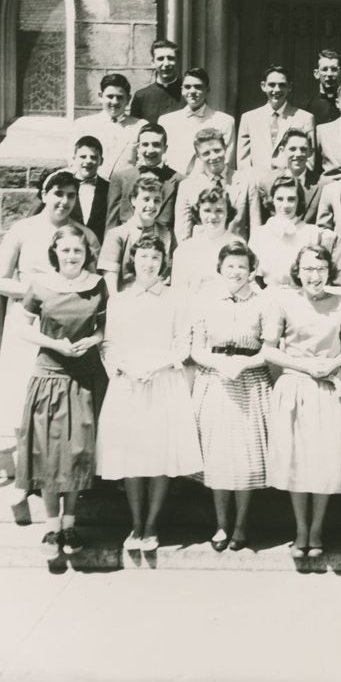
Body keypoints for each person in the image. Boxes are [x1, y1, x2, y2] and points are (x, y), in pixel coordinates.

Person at [97, 234, 203, 552]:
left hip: (164, 381)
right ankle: (136, 524)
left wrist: (158, 367)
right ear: (134, 260)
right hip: (129, 383)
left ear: (163, 262)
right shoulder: (120, 299)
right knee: (133, 457)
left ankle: (152, 525)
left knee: (160, 455)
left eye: (155, 258)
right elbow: (109, 344)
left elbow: (183, 343)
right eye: (143, 257)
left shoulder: (176, 299)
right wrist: (127, 368)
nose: (149, 263)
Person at [264, 244, 341, 557]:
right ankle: (300, 529)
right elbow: (269, 350)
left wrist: (334, 364)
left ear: (329, 272)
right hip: (296, 385)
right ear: (298, 271)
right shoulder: (284, 301)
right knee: (298, 460)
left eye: (321, 269)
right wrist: (305, 366)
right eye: (308, 268)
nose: (314, 275)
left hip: (329, 388)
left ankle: (316, 529)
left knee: (324, 462)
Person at [15, 224, 109, 555]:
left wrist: (92, 340)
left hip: (83, 379)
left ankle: (70, 526)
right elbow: (21, 327)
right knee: (49, 455)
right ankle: (51, 528)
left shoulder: (97, 286)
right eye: (66, 250)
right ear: (56, 252)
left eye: (78, 251)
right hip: (49, 378)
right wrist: (55, 344)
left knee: (78, 454)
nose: (72, 256)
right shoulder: (41, 285)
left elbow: (103, 329)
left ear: (87, 254)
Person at [0, 170, 101, 446]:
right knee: (21, 391)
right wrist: (40, 293)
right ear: (44, 195)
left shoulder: (84, 235)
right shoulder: (22, 230)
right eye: (58, 193)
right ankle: (25, 468)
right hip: (29, 319)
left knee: (63, 395)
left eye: (71, 195)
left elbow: (92, 283)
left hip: (68, 323)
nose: (64, 201)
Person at [189, 241, 271, 552]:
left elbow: (269, 348)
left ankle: (241, 525)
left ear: (252, 271)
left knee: (247, 457)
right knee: (220, 456)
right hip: (215, 379)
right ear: (220, 269)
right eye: (230, 265)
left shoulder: (264, 303)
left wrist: (243, 363)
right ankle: (222, 523)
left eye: (242, 266)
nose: (236, 271)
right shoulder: (206, 302)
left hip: (250, 380)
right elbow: (197, 349)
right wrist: (220, 363)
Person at [98, 175, 177, 296]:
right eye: (146, 199)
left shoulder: (166, 233)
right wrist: (116, 302)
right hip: (126, 297)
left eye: (157, 200)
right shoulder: (117, 234)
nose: (151, 205)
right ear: (133, 200)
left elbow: (169, 273)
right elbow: (111, 281)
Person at [249, 175, 330, 289]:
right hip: (270, 297)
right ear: (272, 200)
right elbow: (254, 278)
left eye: (291, 199)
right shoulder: (260, 234)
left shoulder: (312, 233)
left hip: (303, 297)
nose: (285, 205)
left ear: (299, 201)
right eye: (280, 199)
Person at [174, 127, 251, 240]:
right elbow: (182, 232)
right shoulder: (187, 186)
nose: (213, 157)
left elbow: (255, 229)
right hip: (202, 251)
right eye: (206, 153)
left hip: (237, 252)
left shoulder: (246, 180)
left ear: (225, 148)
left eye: (217, 150)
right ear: (198, 156)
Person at [106, 123, 185, 231]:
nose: (150, 150)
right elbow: (111, 224)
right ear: (138, 147)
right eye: (145, 145)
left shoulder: (180, 181)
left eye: (156, 145)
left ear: (165, 148)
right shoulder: (120, 178)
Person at [236, 64, 316, 172]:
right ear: (263, 86)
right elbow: (243, 161)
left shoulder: (305, 118)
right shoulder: (249, 118)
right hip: (258, 185)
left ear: (290, 87)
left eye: (282, 85)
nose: (277, 90)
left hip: (291, 184)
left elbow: (309, 160)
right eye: (272, 85)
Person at [158, 67, 237, 174]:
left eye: (198, 87)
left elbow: (226, 160)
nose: (192, 91)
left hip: (207, 184)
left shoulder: (224, 121)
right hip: (173, 183)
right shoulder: (166, 121)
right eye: (187, 87)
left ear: (207, 89)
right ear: (182, 90)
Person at [71, 74, 147, 179]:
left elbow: (143, 163)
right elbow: (73, 163)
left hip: (126, 190)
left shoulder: (140, 126)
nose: (114, 102)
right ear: (100, 96)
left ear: (128, 99)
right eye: (110, 96)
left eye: (120, 97)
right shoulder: (83, 125)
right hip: (91, 189)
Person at [170, 187, 241, 296]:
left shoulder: (237, 244)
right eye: (207, 210)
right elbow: (178, 292)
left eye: (219, 210)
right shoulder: (185, 250)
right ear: (198, 212)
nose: (213, 216)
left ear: (228, 212)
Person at [248, 128, 324, 228]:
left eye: (303, 149)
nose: (298, 154)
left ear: (310, 152)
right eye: (292, 149)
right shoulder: (267, 183)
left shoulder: (323, 185)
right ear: (282, 150)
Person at [130, 39, 183, 124]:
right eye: (160, 59)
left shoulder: (188, 93)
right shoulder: (141, 96)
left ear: (177, 61)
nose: (166, 64)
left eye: (170, 58)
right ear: (153, 62)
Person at [70, 135, 110, 243]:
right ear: (74, 159)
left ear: (101, 161)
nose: (88, 161)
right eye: (83, 157)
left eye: (93, 157)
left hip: (99, 249)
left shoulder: (109, 188)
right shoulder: (64, 185)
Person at [303, 48, 341, 125]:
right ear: (316, 74)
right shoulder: (306, 107)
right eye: (324, 69)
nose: (329, 74)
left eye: (334, 69)